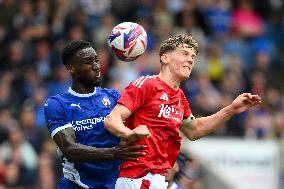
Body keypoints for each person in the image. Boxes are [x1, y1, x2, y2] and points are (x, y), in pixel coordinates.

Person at [104, 34, 261, 189]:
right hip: (136, 177)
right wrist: (128, 133)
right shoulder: (147, 84)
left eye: (193, 56)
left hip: (158, 179)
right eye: (185, 54)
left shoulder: (180, 98)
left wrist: (232, 109)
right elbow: (112, 119)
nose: (191, 59)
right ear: (165, 58)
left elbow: (195, 130)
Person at [43, 40, 146, 189]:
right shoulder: (57, 104)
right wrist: (114, 153)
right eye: (88, 62)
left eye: (96, 60)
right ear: (71, 68)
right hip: (76, 185)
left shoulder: (113, 97)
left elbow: (134, 131)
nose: (96, 66)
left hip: (113, 184)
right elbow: (70, 149)